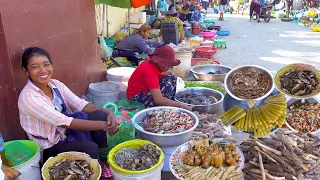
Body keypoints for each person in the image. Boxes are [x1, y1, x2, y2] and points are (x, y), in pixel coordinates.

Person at [18, 47, 118, 163]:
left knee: (100, 115)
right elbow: (64, 122)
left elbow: (81, 104)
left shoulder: (55, 85)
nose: (43, 70)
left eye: (46, 64)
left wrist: (109, 113)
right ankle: (94, 160)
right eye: (35, 67)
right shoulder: (29, 97)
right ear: (27, 72)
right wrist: (106, 125)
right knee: (90, 149)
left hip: (65, 133)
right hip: (50, 146)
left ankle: (99, 157)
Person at [127, 45, 192, 111]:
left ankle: (169, 102)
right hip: (135, 98)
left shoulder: (154, 63)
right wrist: (180, 105)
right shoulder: (149, 70)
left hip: (145, 89)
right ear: (161, 62)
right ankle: (164, 107)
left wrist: (164, 73)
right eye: (168, 65)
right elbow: (158, 100)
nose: (170, 68)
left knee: (171, 79)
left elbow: (159, 73)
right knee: (166, 87)